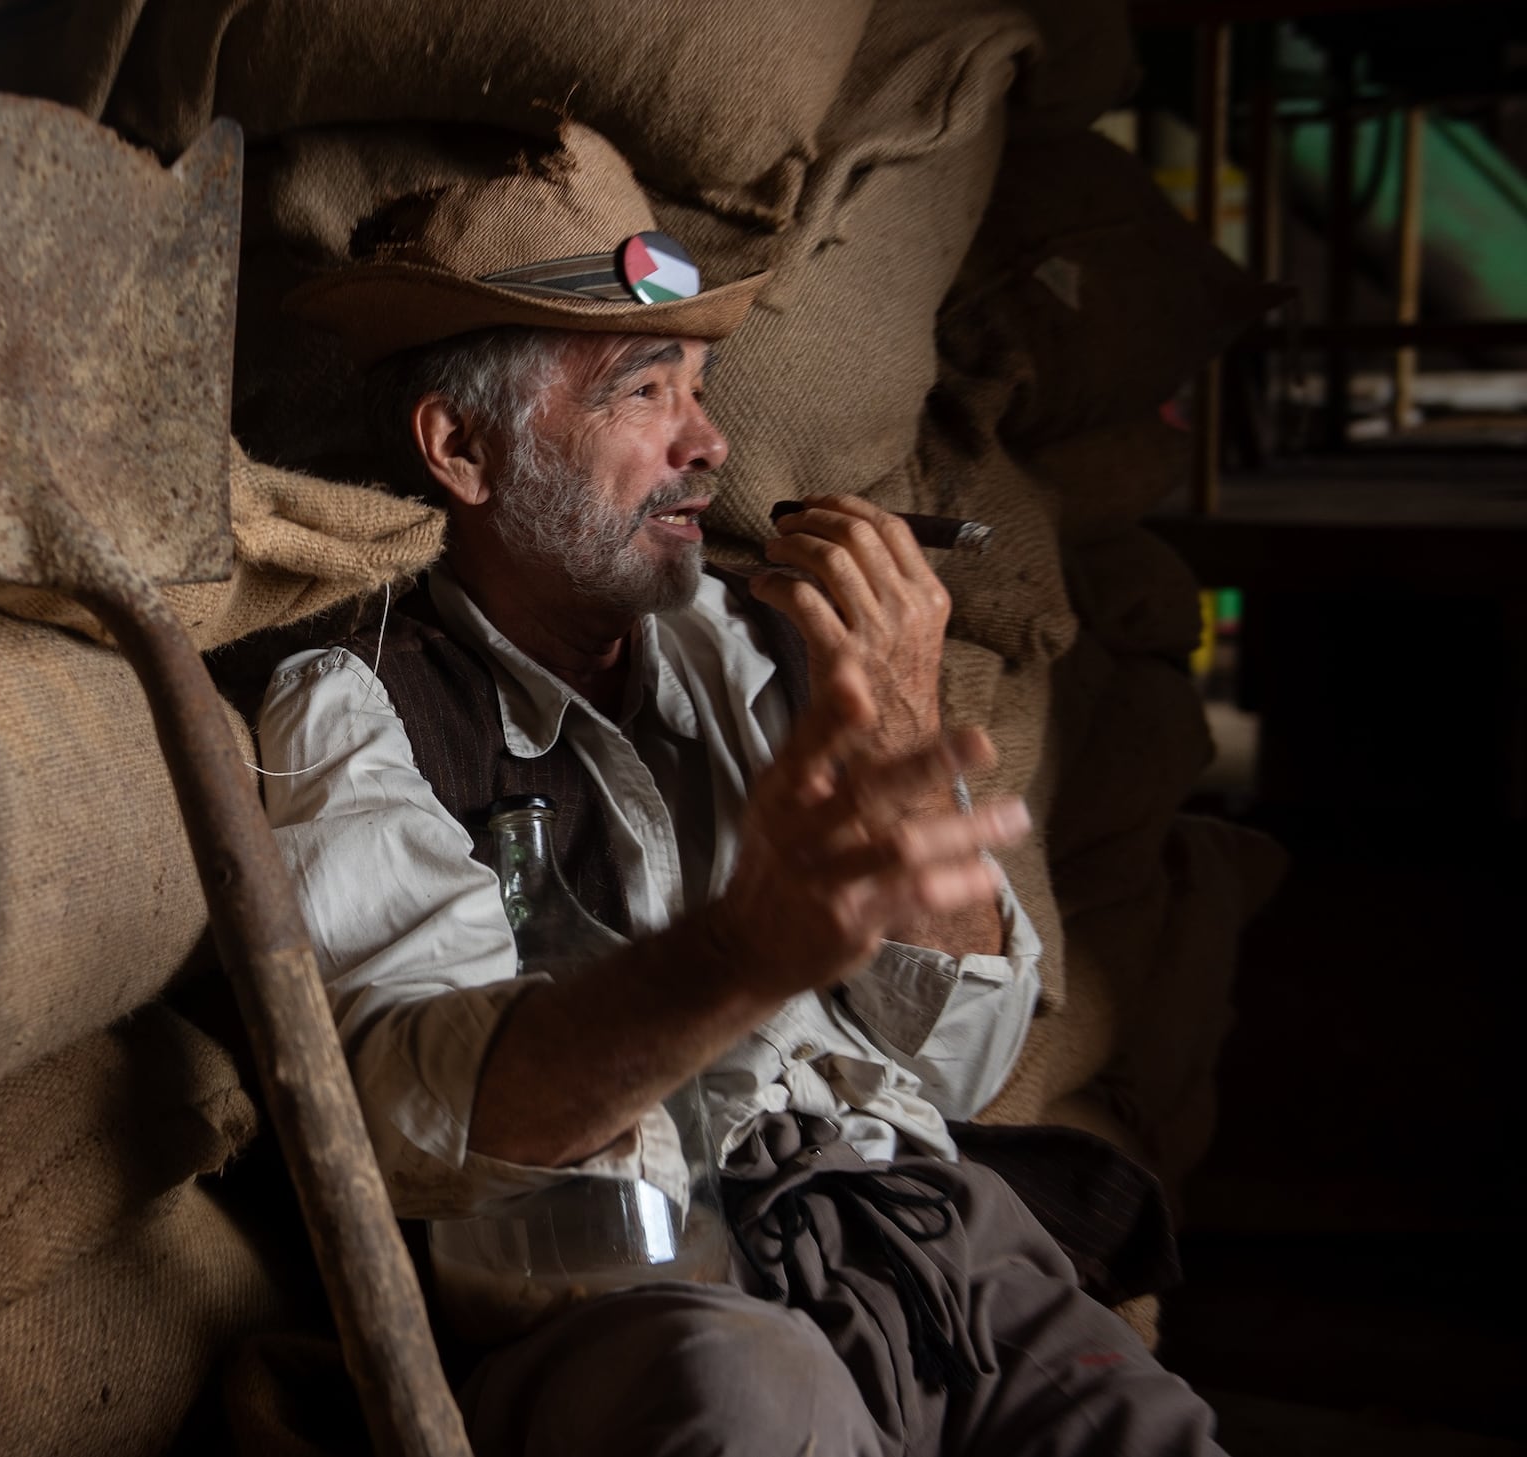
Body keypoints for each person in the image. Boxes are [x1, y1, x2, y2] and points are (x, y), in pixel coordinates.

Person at [255, 123, 1226, 1456]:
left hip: (928, 1246)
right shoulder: (358, 704)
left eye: (701, 387)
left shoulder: (761, 644)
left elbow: (966, 1056)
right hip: (651, 1288)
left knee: (1143, 1425)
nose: (709, 443)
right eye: (645, 393)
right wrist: (741, 950)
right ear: (461, 450)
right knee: (744, 1406)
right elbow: (427, 1130)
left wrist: (894, 719)